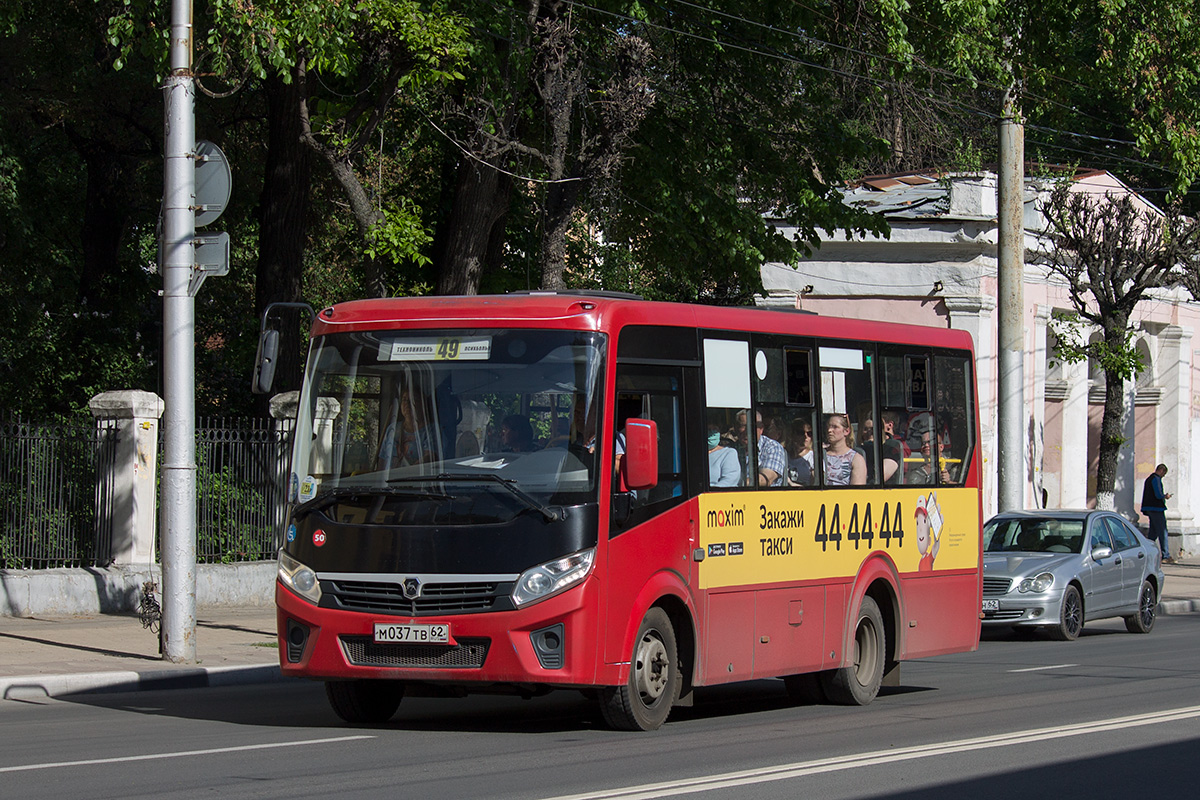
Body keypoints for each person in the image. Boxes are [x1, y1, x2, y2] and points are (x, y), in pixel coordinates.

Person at [736, 409, 787, 486]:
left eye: (753, 426)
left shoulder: (773, 447)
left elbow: (764, 480)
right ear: (736, 428)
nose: (748, 431)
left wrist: (734, 483)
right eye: (743, 426)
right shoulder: (731, 448)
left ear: (761, 429)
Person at [823, 413, 866, 486]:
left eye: (835, 427)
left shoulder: (856, 459)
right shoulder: (820, 454)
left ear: (846, 431)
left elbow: (857, 491)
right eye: (828, 427)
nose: (829, 430)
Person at [1141, 463, 1173, 563]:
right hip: (1156, 508)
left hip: (1149, 508)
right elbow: (1158, 495)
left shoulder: (1148, 479)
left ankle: (1148, 553)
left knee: (1153, 533)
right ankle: (1165, 555)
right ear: (1161, 471)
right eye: (1164, 474)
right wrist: (1165, 496)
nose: (1163, 476)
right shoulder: (1156, 479)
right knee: (1162, 531)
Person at [707, 423, 741, 487]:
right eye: (708, 429)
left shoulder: (729, 453)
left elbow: (729, 481)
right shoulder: (694, 455)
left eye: (714, 429)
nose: (711, 432)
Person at [785, 418, 813, 486]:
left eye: (809, 433)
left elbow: (814, 487)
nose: (805, 437)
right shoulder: (784, 455)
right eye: (801, 433)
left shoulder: (813, 457)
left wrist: (792, 484)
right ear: (792, 435)